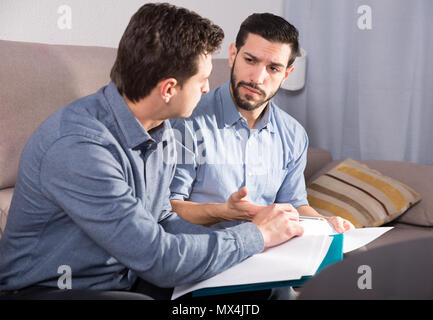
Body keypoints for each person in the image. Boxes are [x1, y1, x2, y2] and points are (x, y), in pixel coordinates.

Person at [0, 4, 303, 300]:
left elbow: (162, 221)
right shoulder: (79, 147)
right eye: (202, 80)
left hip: (130, 277)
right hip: (50, 289)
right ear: (169, 89)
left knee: (266, 286)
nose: (208, 89)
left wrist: (253, 250)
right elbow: (160, 260)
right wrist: (255, 237)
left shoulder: (162, 130)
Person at [169, 13, 355, 232]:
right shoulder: (186, 121)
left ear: (286, 74)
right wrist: (222, 211)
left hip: (267, 254)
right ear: (233, 55)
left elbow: (294, 206)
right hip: (204, 254)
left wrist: (326, 223)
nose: (257, 78)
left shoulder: (293, 134)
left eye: (273, 68)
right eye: (250, 60)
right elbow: (168, 209)